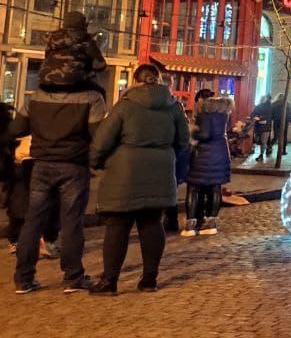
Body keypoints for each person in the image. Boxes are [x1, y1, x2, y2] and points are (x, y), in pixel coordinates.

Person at [10, 24, 108, 294]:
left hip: (41, 164)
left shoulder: (36, 96)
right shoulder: (92, 98)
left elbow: (17, 129)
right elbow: (98, 136)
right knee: (72, 223)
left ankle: (23, 278)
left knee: (33, 221)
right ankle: (73, 277)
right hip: (74, 166)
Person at [88, 64, 189, 295]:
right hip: (160, 171)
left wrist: (96, 162)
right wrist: (165, 155)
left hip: (124, 172)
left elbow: (102, 141)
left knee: (118, 226)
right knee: (152, 223)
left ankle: (110, 281)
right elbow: (183, 141)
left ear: (135, 81)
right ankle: (149, 279)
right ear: (159, 80)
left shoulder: (125, 105)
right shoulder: (173, 107)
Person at [183, 89, 232, 237]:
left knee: (193, 188)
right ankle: (211, 223)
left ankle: (190, 225)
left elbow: (204, 134)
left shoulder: (204, 114)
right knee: (215, 187)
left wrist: (193, 132)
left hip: (202, 155)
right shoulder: (223, 114)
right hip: (220, 153)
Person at [37, 11, 107, 99]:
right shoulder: (86, 39)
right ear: (83, 24)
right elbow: (100, 65)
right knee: (100, 92)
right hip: (73, 82)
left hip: (46, 82)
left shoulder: (52, 38)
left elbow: (47, 56)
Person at [250, 95, 273, 162]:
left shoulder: (260, 106)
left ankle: (261, 154)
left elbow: (253, 114)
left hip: (261, 126)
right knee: (262, 141)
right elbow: (253, 114)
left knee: (262, 141)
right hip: (265, 126)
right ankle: (262, 153)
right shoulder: (270, 107)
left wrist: (254, 117)